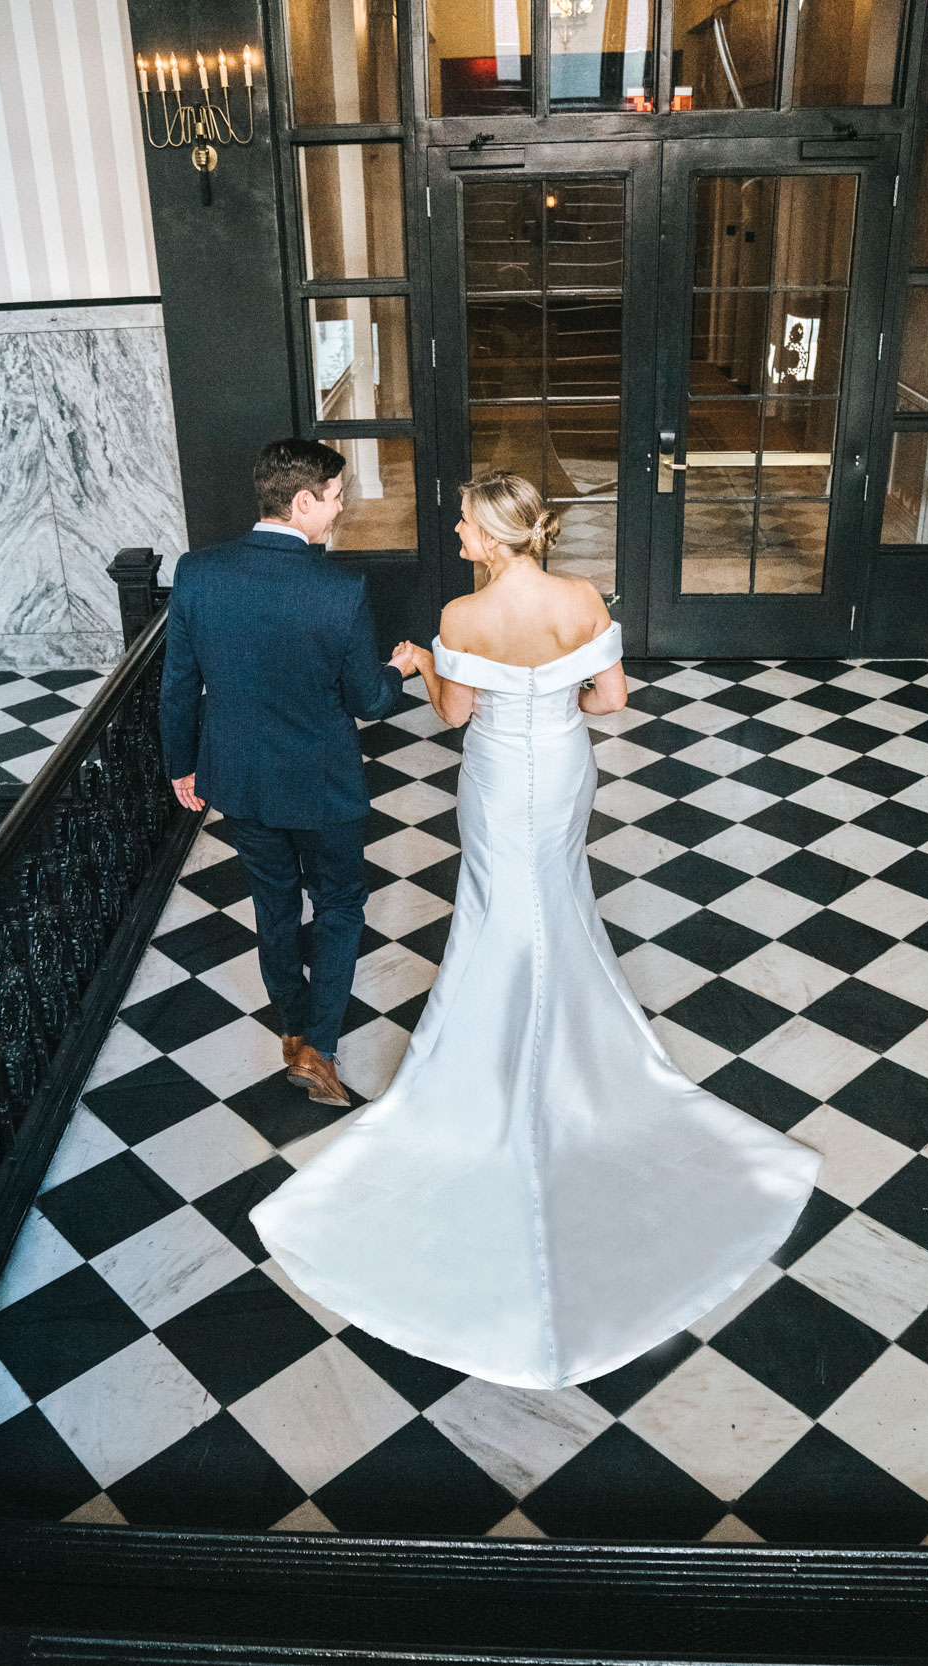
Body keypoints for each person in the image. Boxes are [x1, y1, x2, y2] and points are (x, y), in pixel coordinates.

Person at [251, 471, 820, 1391]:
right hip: (558, 769)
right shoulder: (579, 597)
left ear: (492, 534)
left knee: (492, 904)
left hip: (491, 774)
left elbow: (452, 714)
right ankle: (577, 1047)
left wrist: (427, 660)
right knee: (555, 897)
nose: (455, 531)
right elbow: (609, 703)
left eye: (464, 523)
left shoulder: (462, 618)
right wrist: (554, 698)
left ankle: (491, 1048)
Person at [159, 437, 414, 1109]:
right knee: (337, 903)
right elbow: (369, 700)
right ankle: (318, 1046)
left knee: (273, 903)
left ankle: (293, 1028)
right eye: (334, 499)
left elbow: (178, 686)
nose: (338, 512)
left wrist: (182, 765)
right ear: (302, 501)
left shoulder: (198, 572)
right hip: (321, 784)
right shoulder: (340, 588)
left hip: (237, 776)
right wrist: (402, 670)